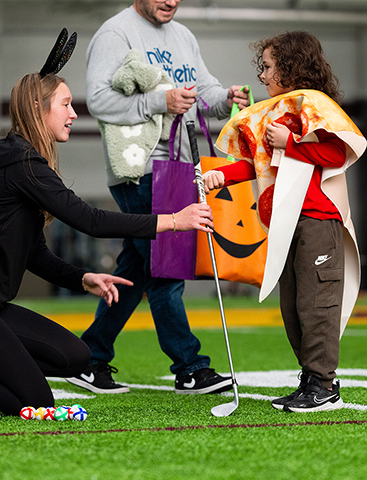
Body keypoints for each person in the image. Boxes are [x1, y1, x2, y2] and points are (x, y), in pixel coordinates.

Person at [0, 29, 214, 418]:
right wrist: (173, 221)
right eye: (65, 104)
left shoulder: (27, 162)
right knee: (35, 402)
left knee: (75, 356)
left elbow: (35, 256)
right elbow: (88, 220)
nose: (74, 113)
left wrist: (83, 279)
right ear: (38, 109)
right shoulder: (21, 162)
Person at [66, 0, 250, 395]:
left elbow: (204, 92)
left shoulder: (182, 35)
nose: (170, 1)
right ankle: (190, 367)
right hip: (139, 170)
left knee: (139, 268)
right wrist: (158, 102)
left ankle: (89, 356)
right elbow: (97, 100)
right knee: (167, 269)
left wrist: (227, 98)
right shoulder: (115, 33)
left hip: (178, 169)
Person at [203, 31, 366, 412]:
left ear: (290, 66)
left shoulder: (316, 105)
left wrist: (291, 143)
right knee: (293, 305)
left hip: (316, 217)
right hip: (285, 222)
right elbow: (258, 163)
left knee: (316, 303)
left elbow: (340, 149)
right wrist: (222, 176)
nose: (262, 75)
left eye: (268, 66)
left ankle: (324, 385)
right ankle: (311, 379)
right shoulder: (275, 111)